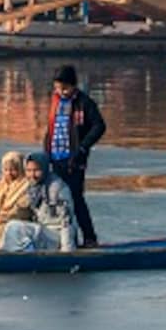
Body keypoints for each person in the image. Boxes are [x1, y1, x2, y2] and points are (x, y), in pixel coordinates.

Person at [43, 65, 106, 247]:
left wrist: (83, 147)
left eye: (65, 88)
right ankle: (64, 239)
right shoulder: (55, 101)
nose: (61, 92)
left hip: (74, 160)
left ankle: (89, 238)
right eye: (57, 88)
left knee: (76, 199)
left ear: (73, 86)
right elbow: (51, 128)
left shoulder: (84, 102)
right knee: (55, 200)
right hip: (55, 157)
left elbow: (99, 126)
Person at [0, 152, 76, 253]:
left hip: (57, 236)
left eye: (36, 170)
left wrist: (67, 251)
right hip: (43, 231)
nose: (32, 175)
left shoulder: (57, 188)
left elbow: (67, 221)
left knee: (15, 227)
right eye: (29, 171)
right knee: (12, 226)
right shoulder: (33, 187)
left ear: (44, 169)